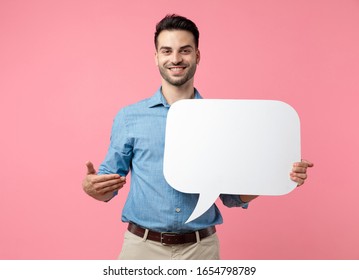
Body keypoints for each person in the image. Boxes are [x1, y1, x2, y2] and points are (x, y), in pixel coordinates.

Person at [82, 14, 314, 260]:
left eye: (185, 50)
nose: (175, 59)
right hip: (141, 249)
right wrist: (92, 187)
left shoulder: (220, 120)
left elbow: (231, 196)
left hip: (200, 250)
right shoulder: (129, 117)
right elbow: (108, 184)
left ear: (197, 56)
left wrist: (278, 176)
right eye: (167, 51)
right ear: (156, 57)